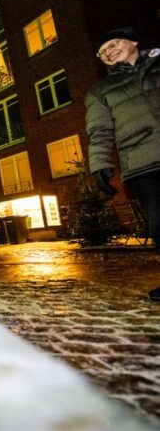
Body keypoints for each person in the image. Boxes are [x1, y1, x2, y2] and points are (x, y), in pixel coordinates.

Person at [86, 27, 160, 302]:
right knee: (159, 223)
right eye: (102, 51)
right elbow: (99, 130)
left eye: (113, 44)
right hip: (142, 163)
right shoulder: (101, 91)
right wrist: (100, 163)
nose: (108, 51)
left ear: (133, 41)